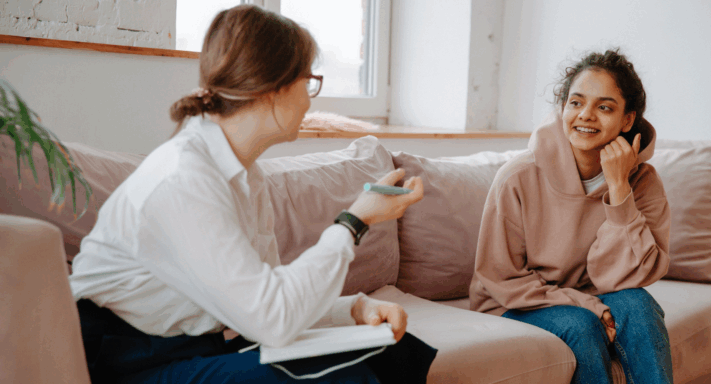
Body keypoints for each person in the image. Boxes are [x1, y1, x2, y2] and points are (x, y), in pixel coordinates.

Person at [69, 5, 437, 384]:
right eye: (307, 82)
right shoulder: (184, 180)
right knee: (340, 378)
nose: (310, 101)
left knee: (394, 350)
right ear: (272, 89)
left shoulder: (246, 176)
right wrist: (354, 221)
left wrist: (355, 309)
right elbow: (273, 321)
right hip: (126, 363)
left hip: (195, 347)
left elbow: (269, 300)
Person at [469, 48, 673, 384]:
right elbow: (500, 277)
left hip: (593, 295)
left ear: (627, 120)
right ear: (562, 108)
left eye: (604, 107)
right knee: (581, 324)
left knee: (639, 305)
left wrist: (619, 188)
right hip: (514, 303)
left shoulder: (643, 182)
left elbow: (636, 276)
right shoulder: (517, 177)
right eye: (576, 103)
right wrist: (587, 305)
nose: (586, 115)